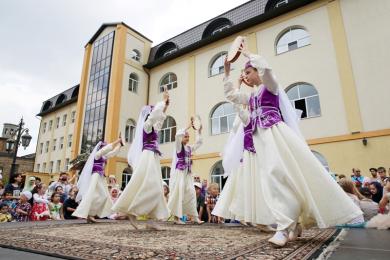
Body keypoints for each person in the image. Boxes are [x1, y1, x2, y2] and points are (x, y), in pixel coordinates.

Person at [222, 49, 363, 246]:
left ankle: (283, 227)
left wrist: (248, 55)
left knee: (277, 174)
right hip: (260, 139)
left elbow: (268, 72)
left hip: (275, 135)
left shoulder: (270, 87)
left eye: (248, 72)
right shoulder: (252, 97)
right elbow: (232, 96)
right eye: (244, 74)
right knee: (273, 180)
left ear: (257, 71)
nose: (245, 76)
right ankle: (292, 222)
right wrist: (227, 72)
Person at [112, 90, 170, 230]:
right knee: (152, 187)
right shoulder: (147, 126)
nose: (154, 114)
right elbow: (154, 116)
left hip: (154, 157)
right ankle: (133, 211)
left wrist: (165, 106)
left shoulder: (154, 128)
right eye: (152, 112)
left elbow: (160, 119)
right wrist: (162, 102)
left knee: (155, 188)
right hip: (148, 157)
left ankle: (150, 220)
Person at [72, 138, 122, 223]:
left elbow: (113, 153)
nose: (105, 148)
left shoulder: (104, 156)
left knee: (103, 196)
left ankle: (91, 214)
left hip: (100, 177)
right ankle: (88, 214)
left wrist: (120, 145)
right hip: (95, 176)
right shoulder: (97, 154)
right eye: (104, 146)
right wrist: (117, 141)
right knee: (92, 194)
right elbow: (105, 149)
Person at [168, 119, 204, 225]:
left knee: (192, 194)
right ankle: (176, 217)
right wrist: (187, 127)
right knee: (178, 194)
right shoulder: (178, 147)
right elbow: (178, 136)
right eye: (185, 136)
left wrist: (199, 131)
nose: (187, 138)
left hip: (187, 174)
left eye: (188, 136)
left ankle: (195, 217)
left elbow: (199, 143)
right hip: (179, 173)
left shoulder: (189, 148)